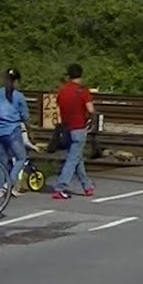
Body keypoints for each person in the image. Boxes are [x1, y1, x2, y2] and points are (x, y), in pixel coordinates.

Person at [51, 63, 96, 199]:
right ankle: (60, 187)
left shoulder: (62, 91)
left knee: (77, 158)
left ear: (69, 75)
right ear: (81, 75)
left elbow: (59, 105)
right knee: (72, 159)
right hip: (78, 128)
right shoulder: (83, 91)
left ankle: (87, 186)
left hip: (66, 128)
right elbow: (90, 110)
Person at [0, 68, 30, 198]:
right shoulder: (19, 96)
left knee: (1, 160)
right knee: (21, 158)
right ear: (16, 81)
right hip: (12, 131)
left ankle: (0, 188)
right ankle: (9, 183)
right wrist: (29, 127)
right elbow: (25, 116)